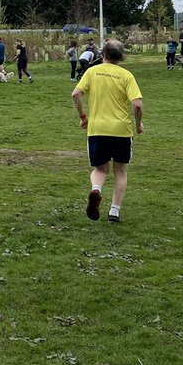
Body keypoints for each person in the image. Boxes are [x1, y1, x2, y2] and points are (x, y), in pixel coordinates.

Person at [71, 39, 144, 225]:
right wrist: (138, 124)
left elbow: (76, 94)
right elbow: (137, 104)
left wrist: (83, 117)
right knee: (120, 170)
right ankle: (114, 212)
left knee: (100, 169)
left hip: (97, 129)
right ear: (121, 57)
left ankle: (96, 189)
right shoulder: (126, 75)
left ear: (103, 54)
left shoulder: (91, 71)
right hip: (121, 130)